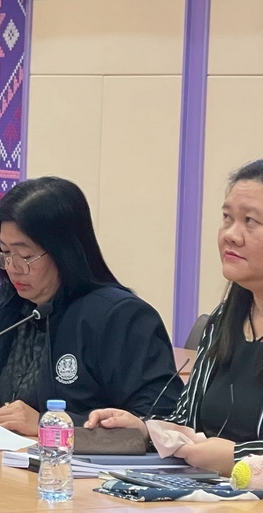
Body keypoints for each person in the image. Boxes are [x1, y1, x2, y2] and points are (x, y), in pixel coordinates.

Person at [0, 177, 179, 434]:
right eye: (5, 253)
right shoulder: (2, 306)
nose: (13, 268)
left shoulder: (119, 317)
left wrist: (49, 422)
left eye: (26, 256)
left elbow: (159, 421)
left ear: (65, 252)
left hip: (71, 469)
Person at [88, 160, 263, 475]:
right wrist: (146, 430)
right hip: (204, 494)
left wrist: (239, 457)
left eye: (250, 221)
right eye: (227, 218)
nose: (231, 235)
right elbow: (188, 423)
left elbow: (228, 454)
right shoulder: (225, 319)